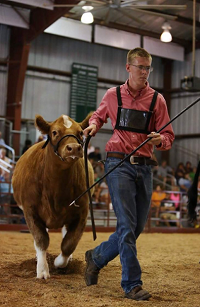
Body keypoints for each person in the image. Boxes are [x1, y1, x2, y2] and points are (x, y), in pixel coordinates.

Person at [83, 47, 174, 301]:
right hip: (117, 163)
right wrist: (92, 126)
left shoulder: (158, 100)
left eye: (148, 68)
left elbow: (168, 135)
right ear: (128, 67)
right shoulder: (113, 95)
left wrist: (159, 140)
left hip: (145, 166)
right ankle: (131, 284)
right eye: (140, 67)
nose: (144, 73)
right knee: (126, 225)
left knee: (135, 228)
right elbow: (98, 117)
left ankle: (96, 257)